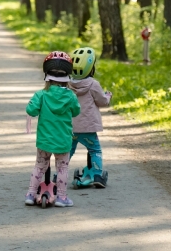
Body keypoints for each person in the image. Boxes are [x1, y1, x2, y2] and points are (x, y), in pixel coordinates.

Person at [24, 51, 80, 207]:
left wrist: (32, 104)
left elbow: (31, 111)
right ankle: (61, 197)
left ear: (47, 75)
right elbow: (76, 111)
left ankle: (30, 194)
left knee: (39, 166)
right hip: (63, 141)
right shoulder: (70, 96)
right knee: (62, 168)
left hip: (44, 141)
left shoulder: (41, 94)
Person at [69, 47, 112, 188]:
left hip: (71, 128)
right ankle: (98, 175)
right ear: (91, 68)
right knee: (95, 150)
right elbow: (102, 101)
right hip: (88, 128)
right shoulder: (93, 84)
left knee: (68, 151)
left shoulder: (67, 83)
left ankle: (60, 174)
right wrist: (108, 96)